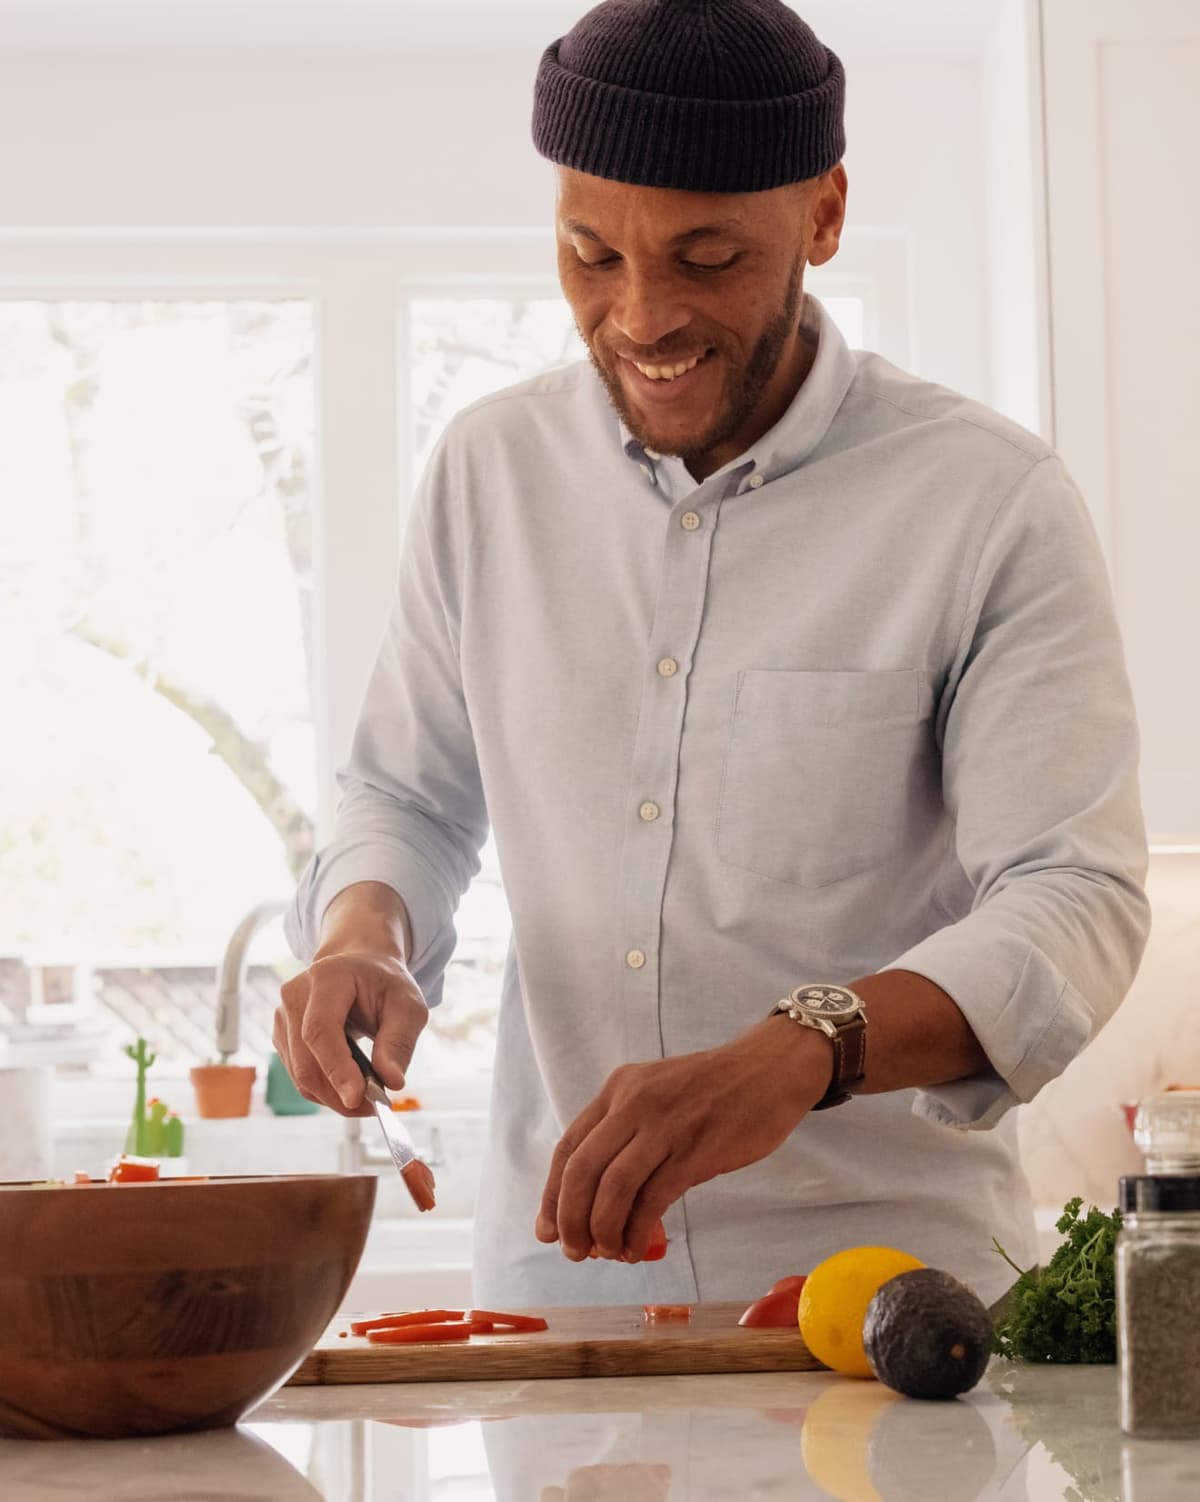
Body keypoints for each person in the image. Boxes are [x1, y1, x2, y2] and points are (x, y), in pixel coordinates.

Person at [277, 0, 1150, 1308]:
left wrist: (810, 1045)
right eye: (590, 253)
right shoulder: (487, 472)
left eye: (705, 257)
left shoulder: (987, 501)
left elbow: (1075, 896)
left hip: (887, 1301)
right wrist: (368, 928)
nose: (642, 317)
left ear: (825, 215)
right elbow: (408, 794)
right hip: (552, 1293)